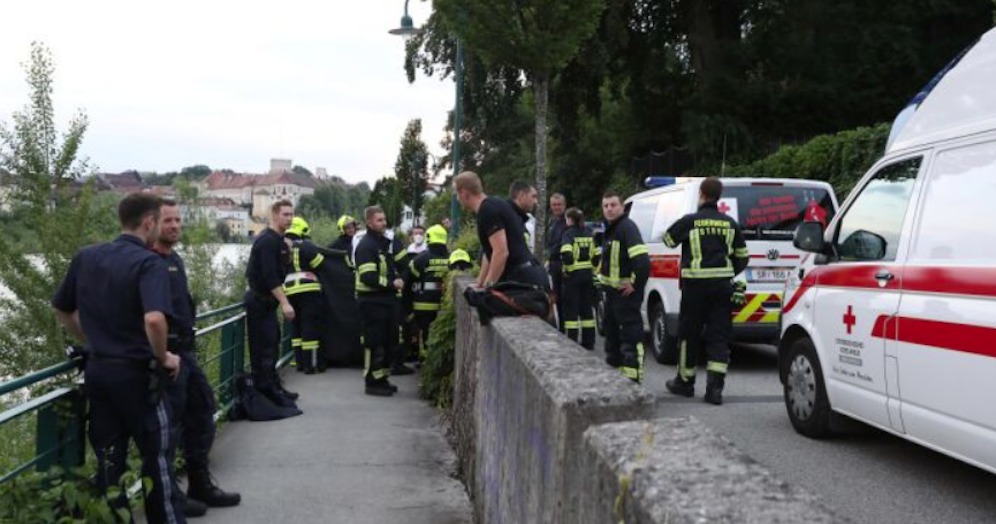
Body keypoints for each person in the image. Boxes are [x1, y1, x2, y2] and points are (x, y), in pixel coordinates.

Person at [52, 193, 186, 524]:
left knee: (109, 462)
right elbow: (154, 319)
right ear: (149, 222)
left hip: (99, 374)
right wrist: (164, 357)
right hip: (139, 379)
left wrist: (90, 339)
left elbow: (62, 308)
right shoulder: (149, 263)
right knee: (157, 458)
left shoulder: (87, 257)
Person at [154, 200, 241, 518]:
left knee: (203, 411)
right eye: (168, 221)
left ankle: (199, 483)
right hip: (165, 356)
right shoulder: (148, 261)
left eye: (178, 220)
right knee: (169, 428)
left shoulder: (173, 258)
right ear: (151, 223)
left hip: (185, 352)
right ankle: (171, 495)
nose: (175, 226)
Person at [663, 177, 750, 405]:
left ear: (701, 194)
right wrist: (727, 272)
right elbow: (743, 257)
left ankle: (684, 383)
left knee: (688, 335)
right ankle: (714, 390)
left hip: (694, 288)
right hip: (722, 288)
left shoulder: (690, 221)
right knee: (719, 337)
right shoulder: (730, 223)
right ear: (719, 197)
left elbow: (668, 240)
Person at [453, 171, 548, 290]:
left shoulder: (487, 210)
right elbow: (490, 253)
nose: (457, 199)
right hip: (529, 276)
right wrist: (480, 282)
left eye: (457, 194)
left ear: (464, 193)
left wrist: (488, 287)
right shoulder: (493, 204)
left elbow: (501, 252)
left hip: (523, 281)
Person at [244, 200, 298, 406]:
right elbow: (270, 276)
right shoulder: (267, 241)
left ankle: (274, 386)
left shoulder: (280, 241)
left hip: (268, 303)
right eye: (285, 214)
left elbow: (284, 271)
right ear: (274, 216)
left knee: (272, 344)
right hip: (259, 301)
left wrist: (288, 252)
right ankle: (266, 391)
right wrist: (285, 302)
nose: (289, 218)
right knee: (263, 349)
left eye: (291, 214)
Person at [599, 191, 650, 383]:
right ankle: (617, 381)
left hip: (625, 297)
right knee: (612, 339)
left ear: (622, 207)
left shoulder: (627, 228)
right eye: (606, 206)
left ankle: (633, 381)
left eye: (613, 205)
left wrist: (635, 284)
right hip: (612, 296)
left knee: (631, 338)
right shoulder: (612, 229)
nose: (609, 209)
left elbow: (642, 262)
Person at [355, 206, 404, 396]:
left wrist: (396, 280)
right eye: (379, 220)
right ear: (369, 223)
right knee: (374, 343)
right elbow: (368, 277)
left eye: (384, 219)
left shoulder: (381, 243)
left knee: (388, 342)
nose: (384, 223)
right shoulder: (366, 245)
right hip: (371, 302)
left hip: (386, 300)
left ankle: (382, 378)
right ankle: (371, 382)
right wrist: (392, 284)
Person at [283, 217, 328, 374]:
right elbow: (320, 264)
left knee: (296, 326)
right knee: (310, 326)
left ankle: (299, 362)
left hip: (289, 291)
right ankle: (311, 365)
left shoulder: (282, 245)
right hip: (308, 290)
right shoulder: (307, 245)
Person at [404, 224, 450, 362]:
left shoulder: (420, 259)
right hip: (444, 305)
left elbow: (408, 281)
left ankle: (425, 360)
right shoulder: (451, 258)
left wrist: (407, 306)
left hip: (423, 304)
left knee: (424, 332)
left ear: (428, 238)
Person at [323, 215, 364, 367]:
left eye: (352, 226)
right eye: (347, 227)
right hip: (342, 290)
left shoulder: (361, 241)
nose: (351, 229)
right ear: (342, 230)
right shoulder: (336, 245)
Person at [559, 207, 597, 350]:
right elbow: (596, 255)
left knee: (571, 310)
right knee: (587, 309)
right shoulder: (588, 232)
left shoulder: (568, 233)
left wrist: (568, 269)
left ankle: (572, 342)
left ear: (569, 219)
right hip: (588, 275)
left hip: (574, 276)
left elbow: (567, 254)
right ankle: (589, 342)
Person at [387, 228, 416, 375]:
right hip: (392, 294)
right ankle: (396, 364)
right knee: (397, 330)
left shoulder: (365, 243)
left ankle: (388, 363)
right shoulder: (392, 243)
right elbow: (406, 266)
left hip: (375, 295)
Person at [546, 193, 568, 331]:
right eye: (554, 205)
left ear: (564, 205)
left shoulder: (568, 222)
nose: (556, 207)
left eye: (559, 204)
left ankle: (566, 330)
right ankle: (562, 328)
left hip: (564, 264)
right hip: (554, 264)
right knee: (557, 298)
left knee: (565, 299)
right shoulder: (552, 221)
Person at [508, 180, 538, 248]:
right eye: (533, 196)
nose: (535, 202)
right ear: (522, 195)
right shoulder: (507, 219)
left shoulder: (520, 219)